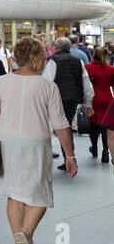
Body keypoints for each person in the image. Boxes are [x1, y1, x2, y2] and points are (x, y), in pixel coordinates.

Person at [0, 37, 77, 244]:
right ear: (34, 59)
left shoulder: (2, 81)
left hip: (6, 143)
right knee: (40, 193)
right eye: (43, 55)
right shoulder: (47, 86)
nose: (45, 59)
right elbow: (60, 123)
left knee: (14, 193)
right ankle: (25, 234)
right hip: (36, 143)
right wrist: (70, 155)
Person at [41, 37, 93, 168]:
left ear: (57, 47)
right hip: (73, 99)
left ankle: (64, 157)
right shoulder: (78, 61)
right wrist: (88, 103)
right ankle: (68, 157)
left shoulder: (53, 60)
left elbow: (46, 82)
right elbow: (86, 83)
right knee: (67, 126)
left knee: (56, 127)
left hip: (57, 99)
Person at [85, 46, 114, 163]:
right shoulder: (111, 69)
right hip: (107, 99)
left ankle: (94, 148)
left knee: (93, 124)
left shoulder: (87, 67)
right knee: (105, 126)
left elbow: (85, 83)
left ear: (93, 56)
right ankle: (105, 152)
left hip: (92, 99)